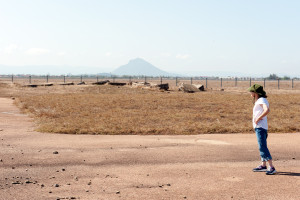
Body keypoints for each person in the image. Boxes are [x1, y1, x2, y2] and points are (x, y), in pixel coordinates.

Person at [248, 84, 276, 175]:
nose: (250, 93)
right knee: (262, 145)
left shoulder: (261, 100)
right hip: (260, 127)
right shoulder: (260, 100)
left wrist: (258, 118)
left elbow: (267, 110)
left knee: (262, 146)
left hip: (261, 127)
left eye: (251, 91)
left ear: (255, 93)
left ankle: (271, 167)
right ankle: (263, 165)